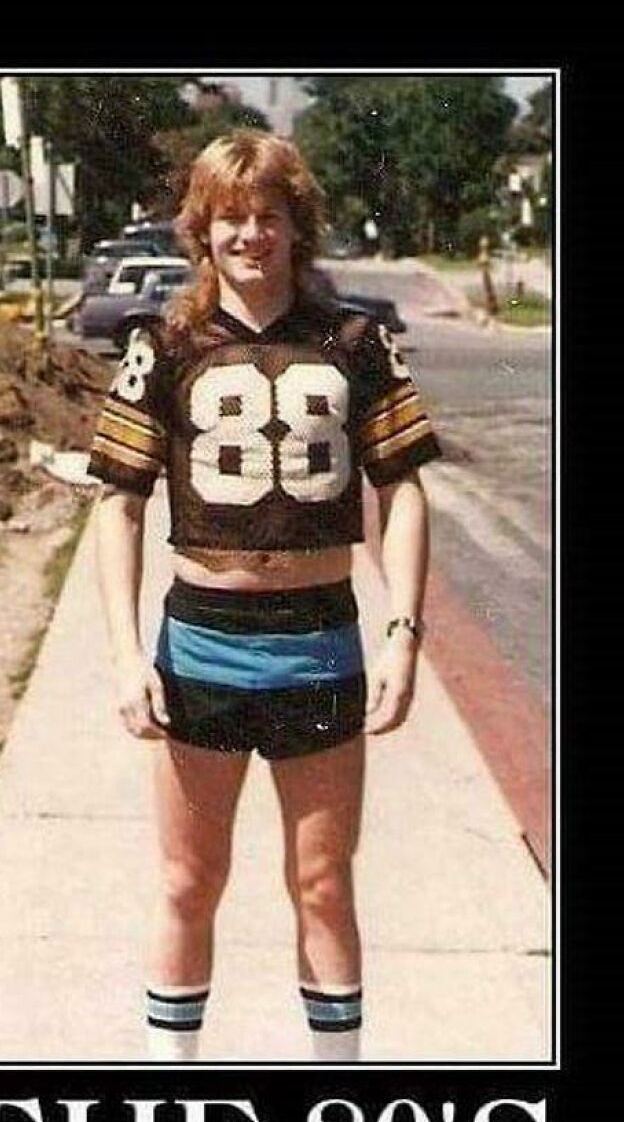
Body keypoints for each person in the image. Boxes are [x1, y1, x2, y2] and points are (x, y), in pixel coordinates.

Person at [86, 131, 442, 1063]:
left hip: (322, 641)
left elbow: (403, 487)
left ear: (297, 227)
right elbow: (117, 507)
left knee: (323, 883)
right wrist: (126, 655)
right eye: (232, 219)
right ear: (201, 232)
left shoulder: (355, 341)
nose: (252, 235)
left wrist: (404, 632)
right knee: (189, 882)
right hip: (201, 641)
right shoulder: (163, 343)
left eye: (269, 217)